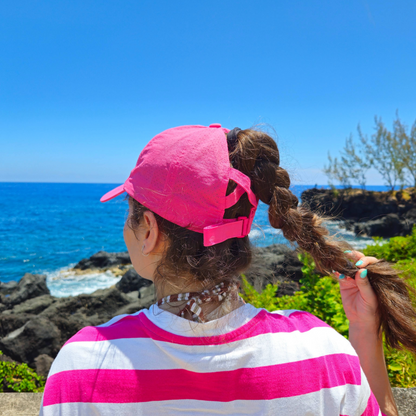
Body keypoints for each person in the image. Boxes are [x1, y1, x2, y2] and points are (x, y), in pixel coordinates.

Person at [39, 124, 414, 416]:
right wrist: (365, 332)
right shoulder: (322, 351)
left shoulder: (82, 366)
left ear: (149, 232)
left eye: (130, 213)